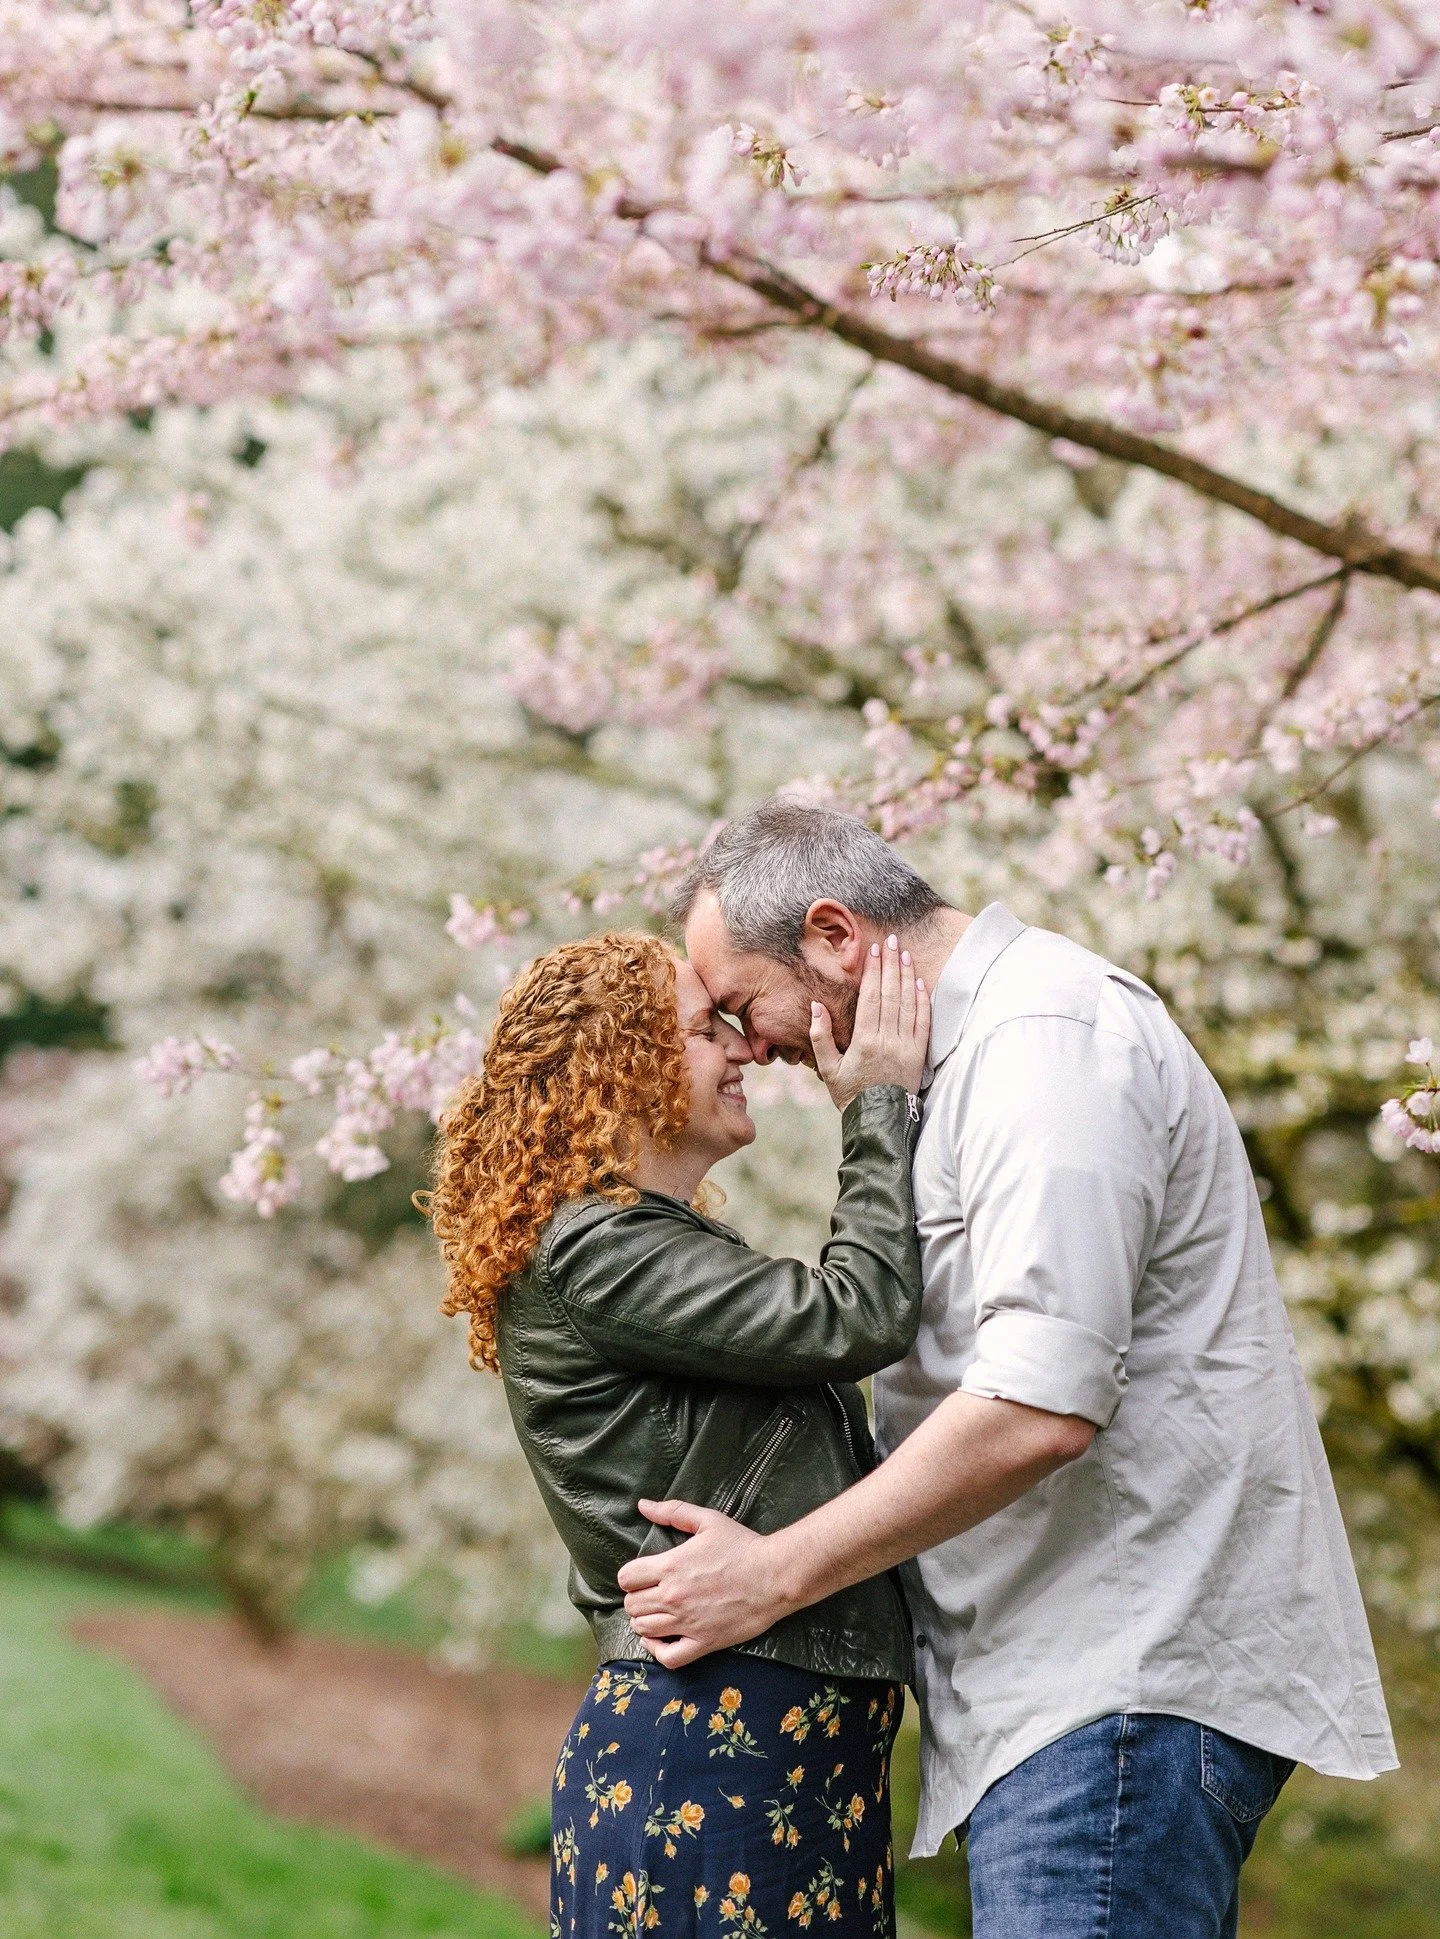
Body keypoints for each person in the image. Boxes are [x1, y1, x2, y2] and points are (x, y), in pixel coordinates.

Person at [617, 799, 1398, 1939]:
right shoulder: (973, 1063)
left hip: (1118, 1682)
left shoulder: (1047, 1039)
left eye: (745, 1006)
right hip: (1065, 1691)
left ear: (835, 936)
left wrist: (775, 1575)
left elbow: (1041, 1401)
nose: (755, 1047)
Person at [424, 928, 931, 1939]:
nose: (745, 1051)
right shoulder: (596, 1249)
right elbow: (856, 1313)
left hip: (762, 1737)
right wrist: (877, 1104)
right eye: (709, 1029)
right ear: (620, 1067)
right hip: (713, 1745)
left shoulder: (632, 1243)